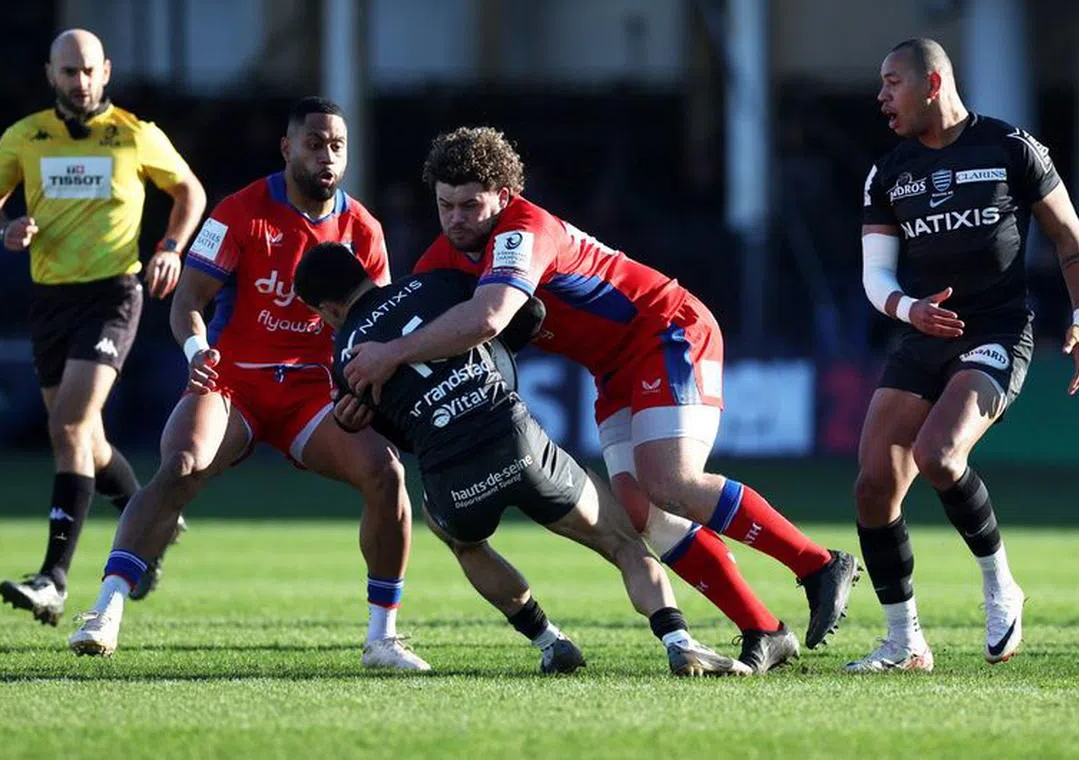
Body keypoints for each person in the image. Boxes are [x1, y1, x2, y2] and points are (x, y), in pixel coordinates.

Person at [340, 126, 859, 664]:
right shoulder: (441, 262)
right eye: (445, 205)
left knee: (672, 482)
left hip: (667, 330)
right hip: (612, 368)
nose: (455, 218)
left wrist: (391, 354)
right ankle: (765, 629)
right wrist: (365, 402)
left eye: (470, 205)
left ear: (504, 196)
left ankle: (818, 565)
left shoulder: (525, 227)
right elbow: (418, 341)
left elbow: (488, 316)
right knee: (642, 516)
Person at [67, 97, 428, 672]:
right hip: (233, 379)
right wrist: (197, 351)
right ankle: (105, 611)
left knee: (387, 476)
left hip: (314, 392)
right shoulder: (241, 211)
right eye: (315, 144)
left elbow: (375, 321)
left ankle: (382, 639)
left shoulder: (364, 229)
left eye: (337, 146)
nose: (327, 156)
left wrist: (366, 389)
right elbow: (187, 302)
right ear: (287, 149)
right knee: (181, 465)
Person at [296, 241, 755, 676]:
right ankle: (678, 641)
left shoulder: (346, 358)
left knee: (461, 540)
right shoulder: (437, 283)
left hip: (451, 469)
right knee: (624, 543)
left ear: (328, 310)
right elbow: (525, 314)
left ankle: (549, 641)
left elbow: (401, 431)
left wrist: (363, 419)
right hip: (515, 437)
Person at [847, 38, 1079, 672]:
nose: (881, 96)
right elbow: (877, 278)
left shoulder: (1012, 149)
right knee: (874, 485)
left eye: (892, 82)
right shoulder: (889, 173)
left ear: (933, 84)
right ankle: (905, 643)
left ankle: (1001, 588)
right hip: (923, 332)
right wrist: (909, 311)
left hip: (997, 329)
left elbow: (1071, 240)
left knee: (937, 454)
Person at [0, 29, 206, 625]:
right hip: (50, 300)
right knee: (85, 438)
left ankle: (53, 578)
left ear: (107, 71)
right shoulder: (25, 137)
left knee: (69, 423)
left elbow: (189, 190)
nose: (79, 82)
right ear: (51, 74)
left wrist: (171, 247)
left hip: (114, 295)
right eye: (68, 71)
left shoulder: (134, 134)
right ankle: (149, 513)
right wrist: (3, 230)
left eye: (88, 70)